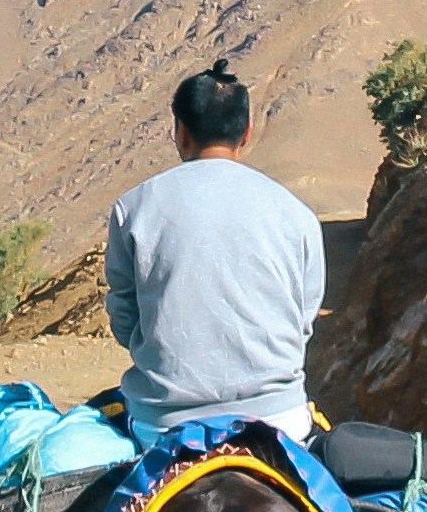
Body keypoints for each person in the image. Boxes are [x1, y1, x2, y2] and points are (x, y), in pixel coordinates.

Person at [102, 57, 327, 439]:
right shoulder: (297, 213)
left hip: (164, 422)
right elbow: (302, 322)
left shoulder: (133, 207)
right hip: (280, 421)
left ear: (181, 132)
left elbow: (125, 317)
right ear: (247, 132)